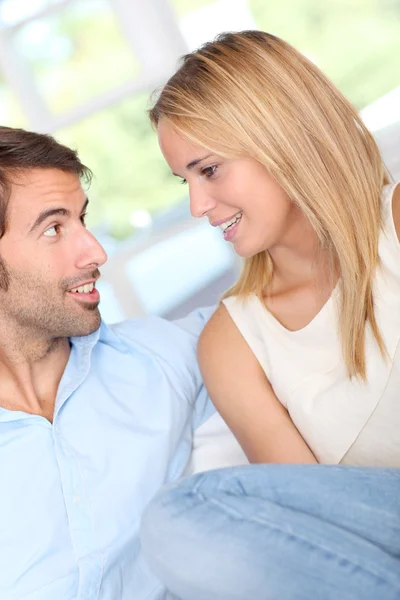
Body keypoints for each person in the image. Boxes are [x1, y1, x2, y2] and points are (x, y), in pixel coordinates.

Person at [140, 30, 400, 599]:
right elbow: (315, 528)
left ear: (281, 137)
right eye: (184, 181)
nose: (196, 206)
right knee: (186, 516)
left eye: (208, 170)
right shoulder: (234, 342)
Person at [0, 125, 221, 600]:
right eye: (54, 228)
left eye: (82, 219)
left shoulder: (157, 358)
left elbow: (288, 307)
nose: (95, 252)